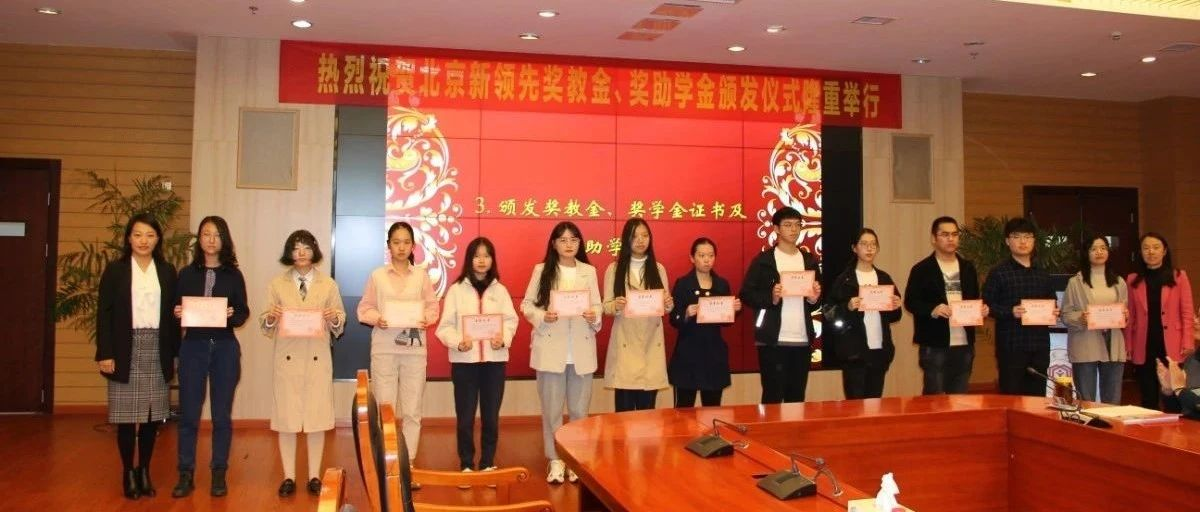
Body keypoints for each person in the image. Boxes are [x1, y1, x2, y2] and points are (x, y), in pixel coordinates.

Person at [95, 213, 179, 499]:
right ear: (129, 238)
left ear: (158, 239)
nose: (144, 241)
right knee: (127, 418)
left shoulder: (167, 271)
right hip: (124, 348)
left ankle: (144, 470)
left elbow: (173, 316)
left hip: (157, 347)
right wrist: (105, 353)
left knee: (153, 417)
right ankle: (127, 473)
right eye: (138, 234)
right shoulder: (116, 270)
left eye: (150, 235)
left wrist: (175, 353)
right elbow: (104, 314)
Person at [260, 230, 346, 497]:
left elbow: (340, 321)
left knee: (316, 418)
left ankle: (314, 476)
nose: (301, 253)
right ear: (289, 252)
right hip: (288, 359)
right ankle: (288, 476)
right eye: (296, 248)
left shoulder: (328, 284)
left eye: (306, 247)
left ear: (314, 251)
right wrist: (271, 317)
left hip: (317, 358)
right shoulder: (277, 284)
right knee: (286, 419)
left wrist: (333, 318)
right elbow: (265, 323)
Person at [171, 216, 250, 497]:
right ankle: (185, 473)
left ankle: (219, 472)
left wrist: (232, 314)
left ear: (224, 239)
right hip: (193, 347)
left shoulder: (233, 275)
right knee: (189, 414)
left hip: (225, 348)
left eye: (217, 235)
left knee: (221, 416)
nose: (211, 239)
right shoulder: (186, 274)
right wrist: (177, 312)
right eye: (206, 234)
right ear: (200, 239)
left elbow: (243, 313)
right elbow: (175, 308)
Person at [520, 221, 602, 484]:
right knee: (552, 411)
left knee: (579, 412)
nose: (568, 244)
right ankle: (555, 459)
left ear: (580, 243)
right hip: (550, 349)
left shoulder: (589, 271)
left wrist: (594, 315)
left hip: (581, 350)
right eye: (563, 240)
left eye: (573, 240)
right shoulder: (542, 270)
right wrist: (543, 316)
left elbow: (598, 306)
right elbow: (527, 305)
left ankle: (575, 459)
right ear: (554, 244)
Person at [356, 222, 439, 465]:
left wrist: (426, 319)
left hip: (414, 351)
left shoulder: (421, 276)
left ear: (413, 246)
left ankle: (408, 463)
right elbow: (364, 309)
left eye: (406, 242)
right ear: (389, 246)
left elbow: (433, 307)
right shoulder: (377, 276)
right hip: (384, 350)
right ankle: (388, 462)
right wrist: (377, 318)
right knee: (386, 409)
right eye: (396, 242)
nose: (401, 247)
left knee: (412, 410)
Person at [435, 237, 518, 474]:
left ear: (493, 260)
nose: (482, 260)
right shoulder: (456, 290)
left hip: (494, 362)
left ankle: (488, 462)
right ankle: (466, 463)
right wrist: (457, 342)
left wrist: (504, 339)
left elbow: (511, 321)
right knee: (465, 417)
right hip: (465, 363)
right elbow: (444, 327)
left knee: (491, 416)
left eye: (486, 256)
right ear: (469, 259)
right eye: (477, 256)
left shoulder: (500, 290)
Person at [739, 206, 823, 404]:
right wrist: (771, 298)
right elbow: (746, 294)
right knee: (772, 397)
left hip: (802, 339)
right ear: (776, 228)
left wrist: (814, 299)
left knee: (797, 398)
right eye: (787, 225)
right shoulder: (764, 261)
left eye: (797, 225)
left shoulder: (809, 261)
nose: (793, 229)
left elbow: (816, 301)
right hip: (772, 339)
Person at [904, 216, 987, 394]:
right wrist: (932, 309)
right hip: (935, 342)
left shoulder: (968, 268)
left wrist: (981, 309)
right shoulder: (922, 269)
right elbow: (911, 302)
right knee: (935, 398)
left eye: (955, 234)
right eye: (945, 234)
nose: (951, 239)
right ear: (934, 238)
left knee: (959, 398)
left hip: (964, 342)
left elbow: (974, 298)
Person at [982, 217, 1058, 397]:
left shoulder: (1042, 273)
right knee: (1012, 397)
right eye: (1016, 237)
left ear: (1034, 240)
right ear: (1007, 241)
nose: (1023, 242)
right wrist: (1010, 312)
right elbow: (986, 306)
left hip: (1039, 345)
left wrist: (1054, 311)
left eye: (1027, 236)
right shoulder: (998, 273)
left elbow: (1052, 301)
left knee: (1037, 398)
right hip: (1011, 346)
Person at [603, 218, 673, 412]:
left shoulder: (658, 269)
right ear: (626, 239)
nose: (641, 240)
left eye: (645, 235)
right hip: (626, 343)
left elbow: (666, 305)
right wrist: (616, 305)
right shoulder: (614, 269)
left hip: (651, 344)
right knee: (623, 416)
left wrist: (668, 304)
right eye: (635, 236)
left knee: (647, 415)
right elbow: (605, 306)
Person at [829, 228, 904, 399]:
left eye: (873, 244)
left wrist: (896, 306)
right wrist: (847, 307)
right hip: (854, 352)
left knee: (875, 404)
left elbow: (894, 317)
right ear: (854, 248)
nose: (869, 248)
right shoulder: (844, 280)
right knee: (856, 406)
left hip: (879, 350)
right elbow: (830, 314)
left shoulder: (884, 278)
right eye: (864, 244)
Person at [668, 238, 741, 407]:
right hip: (688, 355)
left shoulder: (722, 284)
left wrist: (734, 310)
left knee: (712, 410)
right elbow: (674, 319)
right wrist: (686, 313)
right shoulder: (683, 284)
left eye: (711, 255)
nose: (707, 260)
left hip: (713, 355)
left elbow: (726, 323)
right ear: (692, 258)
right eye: (702, 255)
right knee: (684, 411)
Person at [1125, 233, 1195, 410]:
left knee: (1173, 394)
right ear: (1141, 252)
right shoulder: (1133, 279)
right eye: (1146, 248)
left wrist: (1188, 340)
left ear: (1164, 251)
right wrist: (1128, 345)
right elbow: (1130, 316)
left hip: (1172, 343)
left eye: (1156, 247)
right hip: (1144, 344)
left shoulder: (1178, 276)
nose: (1151, 251)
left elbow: (1187, 312)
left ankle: (1174, 427)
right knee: (1148, 396)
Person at [1060, 235, 1128, 404]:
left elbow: (1125, 310)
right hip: (1085, 342)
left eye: (1103, 248)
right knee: (1086, 401)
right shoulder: (1075, 282)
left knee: (1112, 401)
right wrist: (1081, 318)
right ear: (1086, 253)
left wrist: (1125, 315)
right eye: (1094, 249)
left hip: (1113, 343)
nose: (1099, 252)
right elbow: (1065, 315)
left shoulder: (1119, 281)